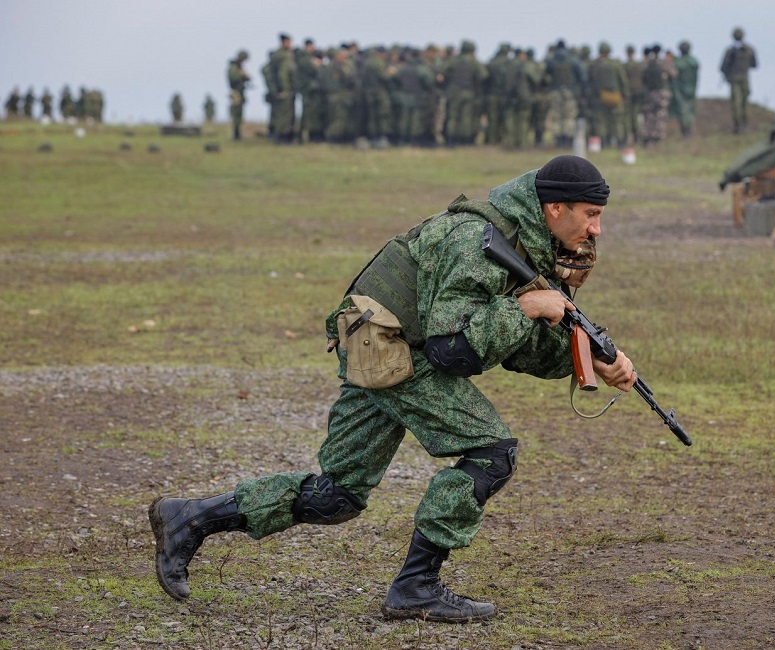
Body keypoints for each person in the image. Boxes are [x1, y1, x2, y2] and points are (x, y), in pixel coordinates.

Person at [148, 154, 637, 623]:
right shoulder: (478, 239)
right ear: (556, 208)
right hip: (391, 348)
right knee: (492, 452)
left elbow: (516, 351)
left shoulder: (526, 244)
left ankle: (189, 518)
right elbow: (454, 350)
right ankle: (416, 588)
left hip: (381, 343)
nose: (596, 228)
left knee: (336, 496)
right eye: (591, 215)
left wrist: (586, 361)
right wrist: (526, 309)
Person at [720, 27, 758, 134]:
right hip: (742, 79)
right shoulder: (748, 50)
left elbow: (723, 67)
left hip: (737, 79)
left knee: (738, 103)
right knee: (742, 103)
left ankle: (740, 125)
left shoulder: (731, 51)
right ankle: (742, 125)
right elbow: (754, 65)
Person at [668, 40, 699, 137]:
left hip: (681, 90)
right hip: (692, 89)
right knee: (690, 110)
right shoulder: (694, 62)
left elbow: (673, 74)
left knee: (683, 111)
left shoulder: (678, 63)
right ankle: (688, 131)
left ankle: (686, 131)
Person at [227, 50, 250, 140]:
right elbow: (234, 79)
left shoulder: (238, 67)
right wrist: (242, 76)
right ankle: (236, 134)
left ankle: (238, 133)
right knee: (236, 114)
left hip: (240, 92)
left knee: (239, 114)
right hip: (236, 92)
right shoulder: (233, 68)